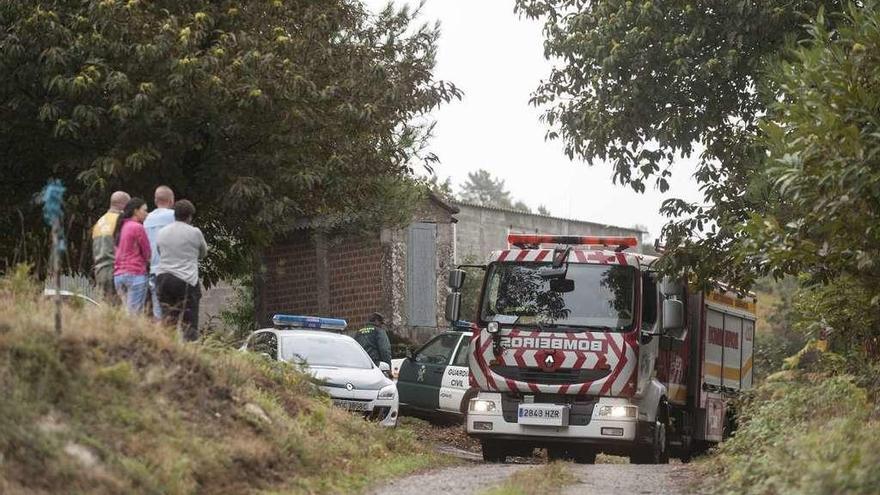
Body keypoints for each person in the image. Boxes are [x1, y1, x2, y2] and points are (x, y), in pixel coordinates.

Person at [155, 200, 208, 342]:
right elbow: (203, 253)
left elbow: (159, 251)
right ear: (190, 216)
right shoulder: (195, 233)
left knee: (168, 321)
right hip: (186, 280)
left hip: (163, 278)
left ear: (174, 215)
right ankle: (190, 350)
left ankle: (167, 349)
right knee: (189, 323)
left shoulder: (162, 232)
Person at [113, 198, 151, 313]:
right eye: (144, 210)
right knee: (134, 315)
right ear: (136, 211)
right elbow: (147, 253)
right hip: (135, 274)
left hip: (119, 275)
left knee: (126, 312)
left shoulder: (121, 226)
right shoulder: (137, 227)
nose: (147, 213)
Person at [91, 191, 130, 302]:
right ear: (124, 205)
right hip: (117, 273)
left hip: (100, 273)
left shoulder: (99, 222)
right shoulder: (121, 221)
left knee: (106, 312)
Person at [144, 186, 175, 320]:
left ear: (155, 200)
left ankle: (161, 336)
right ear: (171, 201)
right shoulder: (175, 217)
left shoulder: (146, 219)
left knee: (158, 310)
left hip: (153, 269)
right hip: (172, 270)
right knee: (175, 309)